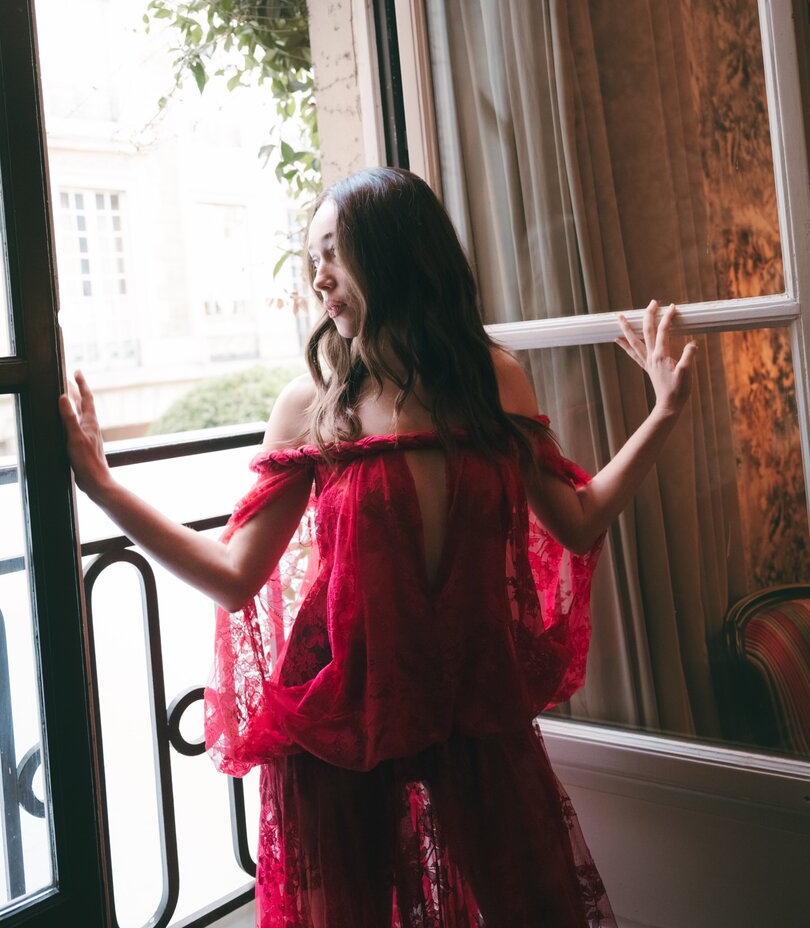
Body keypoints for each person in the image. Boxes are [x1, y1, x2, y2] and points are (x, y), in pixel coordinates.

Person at [59, 167, 697, 927]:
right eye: (311, 259)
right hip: (340, 723)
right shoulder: (311, 406)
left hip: (475, 706)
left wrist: (662, 413)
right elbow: (234, 575)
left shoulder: (494, 381)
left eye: (333, 251)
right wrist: (103, 489)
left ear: (394, 250)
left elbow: (579, 519)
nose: (318, 277)